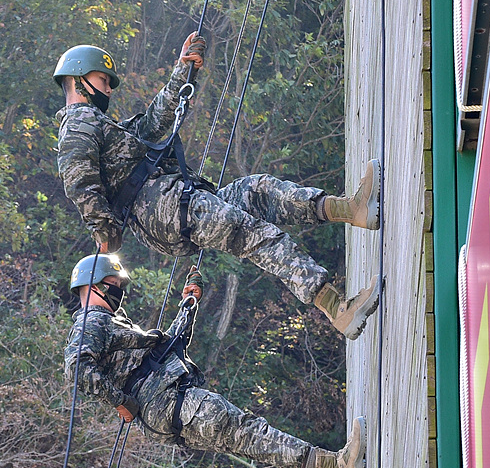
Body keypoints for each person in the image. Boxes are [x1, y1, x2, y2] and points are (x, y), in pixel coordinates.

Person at [54, 36, 381, 339]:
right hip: (166, 210)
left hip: (176, 203)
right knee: (254, 234)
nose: (109, 89)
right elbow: (78, 180)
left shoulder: (103, 126)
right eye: (103, 80)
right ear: (78, 78)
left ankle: (353, 210)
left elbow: (151, 125)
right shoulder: (78, 120)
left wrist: (184, 70)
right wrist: (104, 226)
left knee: (257, 191)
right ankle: (338, 308)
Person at [63, 253, 366, 468]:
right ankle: (339, 464)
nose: (119, 292)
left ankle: (338, 465)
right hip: (170, 403)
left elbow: (167, 346)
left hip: (169, 409)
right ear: (92, 286)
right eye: (113, 285)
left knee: (249, 440)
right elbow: (77, 367)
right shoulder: (92, 321)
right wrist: (119, 401)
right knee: (249, 432)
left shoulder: (113, 322)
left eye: (119, 286)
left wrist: (189, 303)